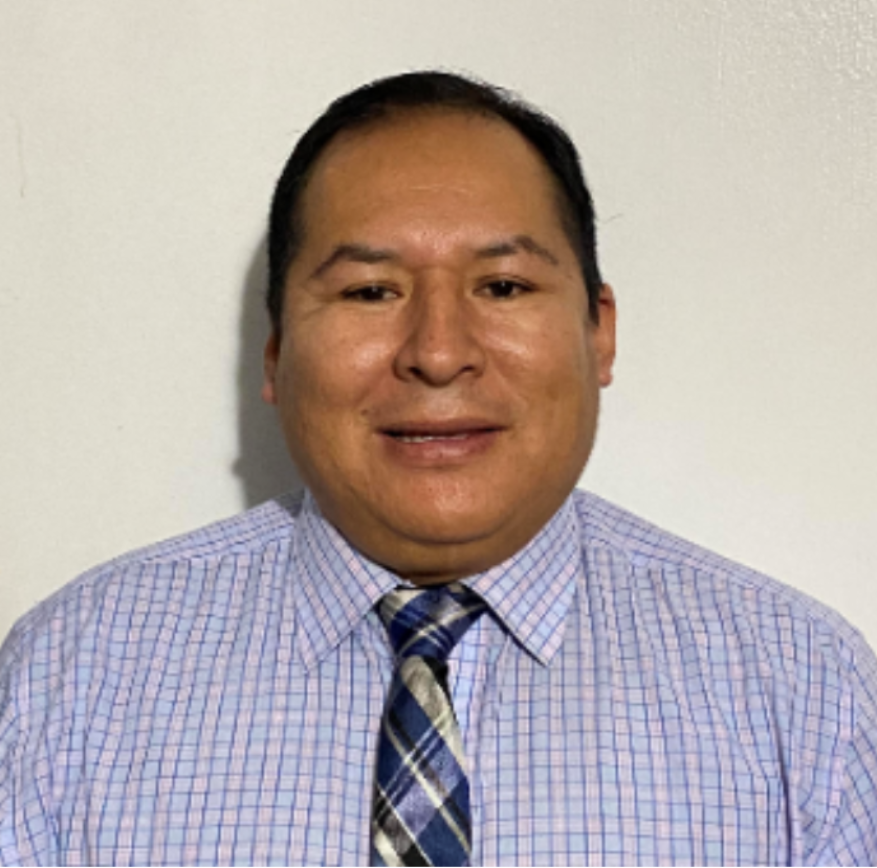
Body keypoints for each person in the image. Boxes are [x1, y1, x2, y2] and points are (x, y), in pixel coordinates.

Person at [1, 71, 876, 867]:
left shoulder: (802, 692)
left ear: (598, 332)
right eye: (369, 292)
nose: (437, 352)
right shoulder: (73, 678)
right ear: (275, 352)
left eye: (502, 287)